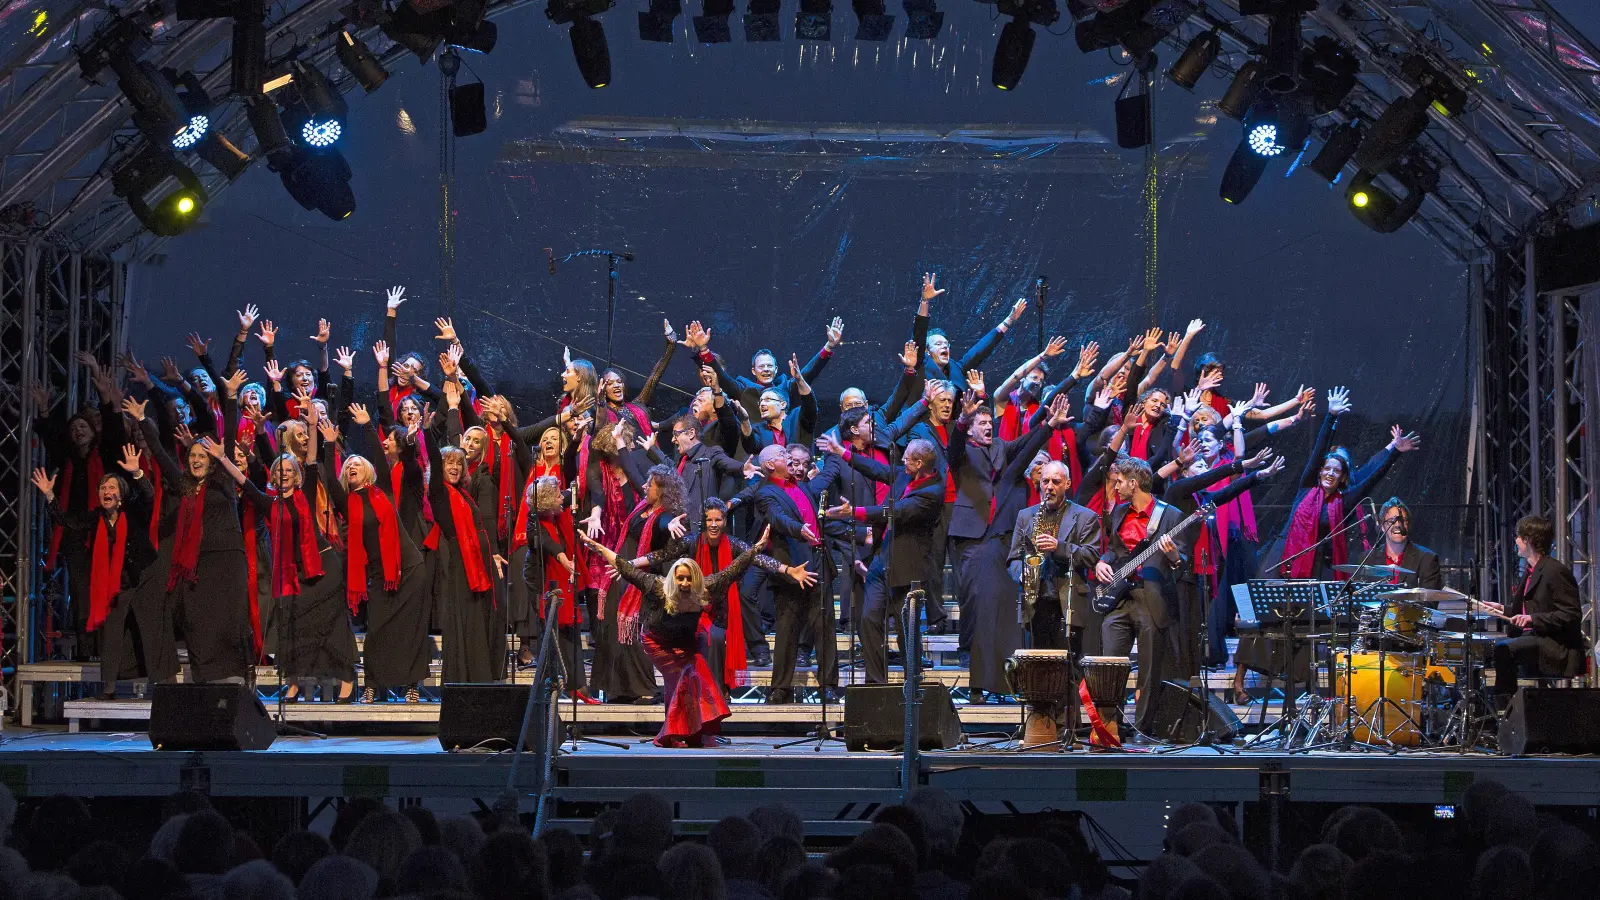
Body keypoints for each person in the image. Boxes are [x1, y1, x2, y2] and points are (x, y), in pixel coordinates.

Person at [582, 527, 770, 747]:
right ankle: (672, 735)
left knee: (699, 678)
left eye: (689, 579)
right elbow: (625, 567)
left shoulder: (706, 588)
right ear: (673, 579)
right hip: (658, 643)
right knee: (683, 678)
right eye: (680, 579)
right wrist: (597, 547)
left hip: (688, 642)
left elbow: (734, 569)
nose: (684, 584)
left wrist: (757, 548)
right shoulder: (657, 587)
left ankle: (693, 733)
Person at [30, 443, 171, 697]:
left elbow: (149, 496)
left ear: (122, 494)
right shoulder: (95, 518)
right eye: (103, 488)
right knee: (111, 633)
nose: (106, 491)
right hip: (117, 585)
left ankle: (167, 684)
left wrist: (137, 472)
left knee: (153, 629)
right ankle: (109, 687)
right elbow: (67, 521)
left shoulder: (134, 511)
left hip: (146, 577)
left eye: (112, 487)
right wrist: (50, 496)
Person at [133, 394, 256, 683]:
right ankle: (205, 680)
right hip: (197, 565)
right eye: (192, 456)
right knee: (197, 622)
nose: (196, 460)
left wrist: (230, 397)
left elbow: (227, 440)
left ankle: (238, 677)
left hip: (226, 563)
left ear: (211, 461)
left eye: (202, 456)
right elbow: (161, 456)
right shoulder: (184, 486)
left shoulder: (222, 481)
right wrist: (142, 420)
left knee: (229, 622)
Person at [818, 437, 945, 685]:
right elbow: (876, 469)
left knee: (907, 631)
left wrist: (854, 512)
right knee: (869, 620)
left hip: (907, 568)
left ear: (919, 463)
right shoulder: (905, 474)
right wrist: (843, 452)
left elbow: (894, 512)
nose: (902, 461)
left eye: (907, 458)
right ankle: (876, 683)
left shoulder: (932, 492)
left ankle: (912, 685)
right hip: (882, 559)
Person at [1094, 456, 1190, 734]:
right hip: (1120, 598)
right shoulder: (1119, 513)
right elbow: (1114, 551)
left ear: (1134, 484)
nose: (1116, 487)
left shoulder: (1170, 515)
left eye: (1120, 482)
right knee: (1110, 665)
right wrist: (1102, 561)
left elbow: (1182, 564)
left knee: (1148, 672)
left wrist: (1173, 556)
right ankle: (1110, 727)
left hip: (1151, 598)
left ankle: (1142, 730)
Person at [328, 453, 432, 703]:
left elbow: (381, 458)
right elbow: (330, 479)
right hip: (380, 575)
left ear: (368, 470)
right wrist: (328, 443)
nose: (352, 467)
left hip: (410, 569)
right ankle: (372, 685)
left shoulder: (382, 490)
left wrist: (370, 431)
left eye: (357, 463)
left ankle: (412, 686)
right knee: (376, 631)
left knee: (412, 630)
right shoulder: (347, 502)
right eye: (348, 465)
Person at [753, 445, 837, 702]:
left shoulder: (802, 486)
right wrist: (799, 529)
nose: (788, 458)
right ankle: (781, 687)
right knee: (787, 628)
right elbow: (777, 518)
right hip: (791, 566)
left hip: (817, 561)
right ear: (770, 464)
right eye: (782, 455)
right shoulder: (765, 493)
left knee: (824, 626)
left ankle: (828, 685)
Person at [1484, 515, 1586, 706]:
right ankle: (1497, 706)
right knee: (1487, 648)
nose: (1515, 540)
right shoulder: (1532, 570)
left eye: (1518, 536)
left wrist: (1532, 619)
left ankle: (1505, 708)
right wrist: (1502, 609)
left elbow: (1571, 614)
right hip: (1536, 638)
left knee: (1504, 649)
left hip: (1554, 644)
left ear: (1528, 540)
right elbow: (1531, 609)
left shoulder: (1555, 571)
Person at [1007, 460, 1102, 655]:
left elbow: (1091, 556)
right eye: (1045, 481)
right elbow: (1013, 558)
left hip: (1068, 604)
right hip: (1035, 604)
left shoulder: (1086, 517)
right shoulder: (1025, 516)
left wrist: (1060, 547)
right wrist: (1021, 574)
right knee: (1036, 666)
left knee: (1068, 666)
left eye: (1056, 482)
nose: (1049, 487)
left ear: (1067, 484)